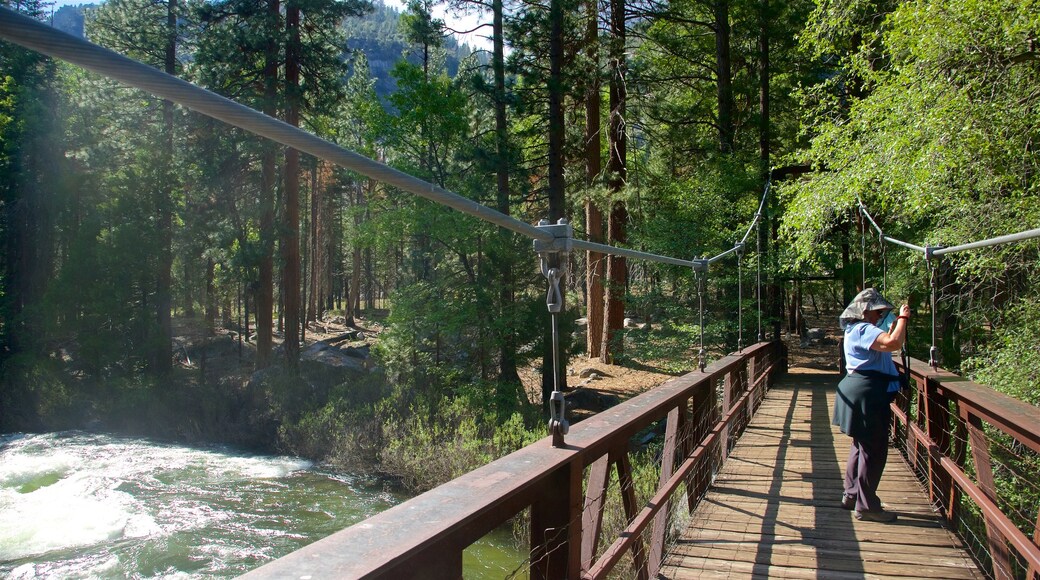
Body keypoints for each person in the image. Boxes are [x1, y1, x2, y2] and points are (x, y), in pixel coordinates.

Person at [833, 287, 910, 523]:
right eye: (878, 312)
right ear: (865, 311)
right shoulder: (864, 329)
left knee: (861, 446)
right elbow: (893, 343)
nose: (880, 316)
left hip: (860, 391)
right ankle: (867, 507)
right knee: (874, 451)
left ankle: (852, 495)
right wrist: (904, 318)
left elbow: (886, 345)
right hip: (867, 393)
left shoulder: (856, 329)